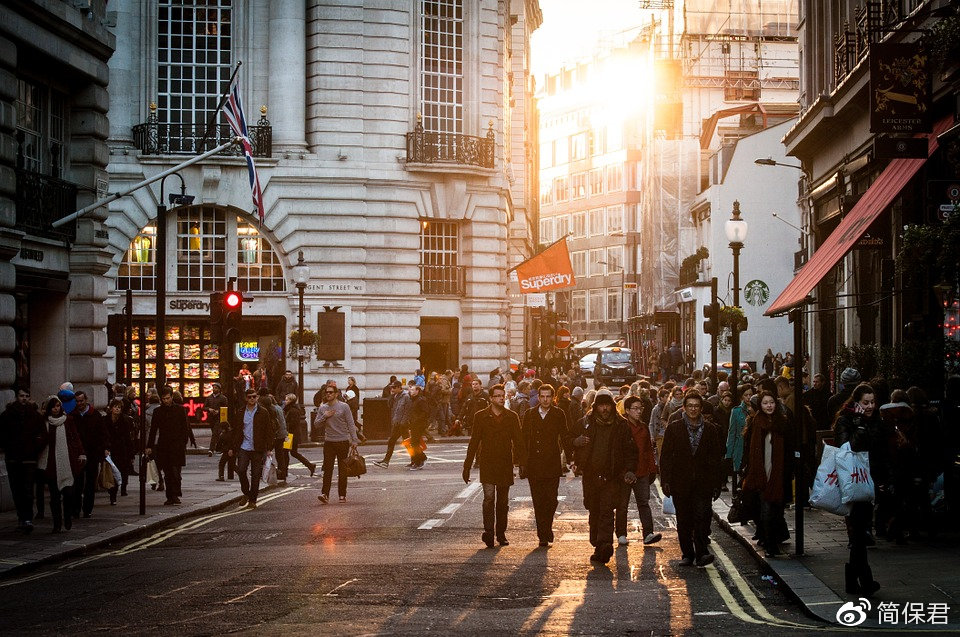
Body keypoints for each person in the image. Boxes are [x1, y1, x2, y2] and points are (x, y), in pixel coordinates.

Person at [659, 390, 724, 567]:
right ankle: (687, 554)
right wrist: (665, 480)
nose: (693, 409)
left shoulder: (710, 430)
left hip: (703, 483)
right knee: (684, 519)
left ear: (701, 408)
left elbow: (716, 458)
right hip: (681, 482)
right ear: (684, 408)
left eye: (696, 406)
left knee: (702, 517)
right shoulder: (674, 428)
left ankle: (702, 552)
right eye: (690, 406)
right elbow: (666, 456)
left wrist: (717, 483)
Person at [572, 392, 638, 564]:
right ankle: (597, 542)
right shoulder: (586, 423)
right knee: (593, 508)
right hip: (591, 475)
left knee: (607, 511)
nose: (605, 409)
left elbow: (630, 450)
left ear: (612, 406)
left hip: (612, 476)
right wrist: (575, 442)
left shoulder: (621, 425)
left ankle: (605, 544)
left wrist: (630, 470)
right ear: (595, 407)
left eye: (607, 405)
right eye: (601, 405)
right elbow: (567, 437)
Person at [833, 383, 885, 595]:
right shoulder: (845, 420)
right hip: (852, 481)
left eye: (873, 402)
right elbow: (847, 448)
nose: (870, 406)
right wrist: (861, 426)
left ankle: (852, 580)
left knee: (860, 532)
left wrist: (883, 479)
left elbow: (880, 453)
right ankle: (865, 580)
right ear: (856, 403)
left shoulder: (877, 420)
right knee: (859, 532)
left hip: (870, 481)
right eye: (866, 402)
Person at [463, 384, 525, 548]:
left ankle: (501, 533)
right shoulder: (481, 416)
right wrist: (467, 466)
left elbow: (519, 441)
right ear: (490, 398)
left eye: (502, 395)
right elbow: (474, 441)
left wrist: (522, 464)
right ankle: (489, 532)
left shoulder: (511, 416)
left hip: (505, 463)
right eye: (497, 396)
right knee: (489, 498)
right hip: (488, 463)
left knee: (503, 502)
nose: (500, 398)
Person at [520, 384, 572, 547]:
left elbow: (565, 436)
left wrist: (570, 459)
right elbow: (523, 438)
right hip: (534, 463)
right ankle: (543, 534)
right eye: (542, 396)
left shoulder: (558, 414)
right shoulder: (530, 414)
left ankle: (547, 527)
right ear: (538, 397)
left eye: (548, 396)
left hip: (552, 462)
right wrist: (522, 462)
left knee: (551, 499)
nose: (545, 399)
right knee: (538, 500)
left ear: (553, 397)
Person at [741, 391, 792, 557]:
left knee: (777, 510)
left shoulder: (782, 423)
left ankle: (773, 540)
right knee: (766, 510)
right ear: (760, 406)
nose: (769, 405)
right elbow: (749, 450)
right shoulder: (756, 423)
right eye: (765, 403)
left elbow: (789, 450)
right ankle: (770, 545)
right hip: (761, 473)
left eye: (771, 402)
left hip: (779, 474)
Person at [617, 396, 662, 546]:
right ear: (627, 410)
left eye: (640, 408)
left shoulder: (643, 428)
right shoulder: (622, 427)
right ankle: (621, 534)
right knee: (622, 505)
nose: (638, 411)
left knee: (644, 503)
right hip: (625, 473)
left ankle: (648, 533)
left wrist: (653, 468)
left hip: (642, 472)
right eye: (635, 409)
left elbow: (649, 450)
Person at [0, 388, 45, 533]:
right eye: (21, 396)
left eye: (26, 396)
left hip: (29, 459)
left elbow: (43, 436)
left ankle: (27, 518)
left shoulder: (35, 416)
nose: (24, 399)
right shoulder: (7, 415)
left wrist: (35, 449)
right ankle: (21, 517)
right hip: (13, 458)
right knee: (16, 489)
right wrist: (7, 447)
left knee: (27, 489)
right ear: (16, 397)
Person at [37, 397, 84, 533]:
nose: (56, 409)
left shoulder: (68, 420)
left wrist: (81, 453)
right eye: (53, 407)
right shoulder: (45, 422)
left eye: (58, 406)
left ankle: (67, 516)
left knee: (68, 493)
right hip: (51, 463)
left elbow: (75, 437)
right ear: (49, 409)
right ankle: (57, 523)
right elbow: (41, 441)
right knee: (54, 497)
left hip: (66, 462)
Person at [147, 386, 193, 505]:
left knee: (176, 473)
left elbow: (185, 428)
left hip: (177, 446)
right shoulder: (158, 412)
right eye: (163, 399)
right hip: (164, 446)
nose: (165, 401)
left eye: (167, 398)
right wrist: (149, 446)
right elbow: (153, 430)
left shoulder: (180, 410)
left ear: (172, 397)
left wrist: (184, 443)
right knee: (168, 473)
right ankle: (170, 497)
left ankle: (176, 494)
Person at [315, 383, 360, 503]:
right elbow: (316, 424)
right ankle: (325, 494)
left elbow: (351, 424)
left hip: (342, 441)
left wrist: (354, 440)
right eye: (326, 392)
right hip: (329, 442)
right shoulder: (323, 408)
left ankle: (342, 495)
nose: (328, 394)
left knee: (342, 469)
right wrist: (325, 416)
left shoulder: (344, 407)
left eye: (330, 392)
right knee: (328, 469)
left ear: (336, 394)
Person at [229, 389, 274, 509]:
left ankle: (252, 500)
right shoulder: (240, 412)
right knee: (241, 470)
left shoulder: (263, 412)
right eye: (249, 397)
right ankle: (246, 493)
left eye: (254, 397)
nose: (252, 399)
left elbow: (268, 430)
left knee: (255, 475)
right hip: (244, 446)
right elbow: (236, 431)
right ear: (246, 398)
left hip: (258, 448)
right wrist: (232, 447)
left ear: (257, 397)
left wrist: (269, 448)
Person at [71, 391, 110, 519]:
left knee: (90, 483)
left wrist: (103, 448)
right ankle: (76, 509)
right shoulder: (73, 416)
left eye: (81, 401)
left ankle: (87, 509)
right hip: (78, 455)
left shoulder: (95, 415)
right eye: (77, 401)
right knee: (77, 483)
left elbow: (103, 434)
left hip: (92, 454)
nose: (79, 403)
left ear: (86, 400)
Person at [374, 381, 411, 468]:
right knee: (403, 443)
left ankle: (386, 461)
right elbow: (390, 406)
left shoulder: (406, 396)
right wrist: (391, 396)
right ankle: (415, 459)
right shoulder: (396, 396)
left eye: (394, 387)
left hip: (402, 424)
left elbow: (407, 411)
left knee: (400, 442)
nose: (392, 389)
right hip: (397, 423)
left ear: (399, 387)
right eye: (391, 387)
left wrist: (403, 422)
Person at [104, 398, 134, 503]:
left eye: (119, 407)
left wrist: (131, 454)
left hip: (122, 450)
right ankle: (112, 494)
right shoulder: (105, 420)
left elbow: (128, 438)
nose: (117, 409)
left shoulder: (124, 421)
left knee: (121, 471)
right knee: (112, 473)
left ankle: (121, 488)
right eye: (115, 407)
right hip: (110, 450)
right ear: (111, 408)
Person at [283, 393, 316, 477]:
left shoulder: (292, 410)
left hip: (290, 435)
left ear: (291, 400)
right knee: (292, 453)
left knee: (286, 453)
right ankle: (310, 466)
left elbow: (292, 424)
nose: (285, 401)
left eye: (287, 400)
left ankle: (285, 471)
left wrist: (286, 431)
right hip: (291, 434)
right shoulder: (290, 409)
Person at [406, 384, 430, 470]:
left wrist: (417, 420)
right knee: (414, 443)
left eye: (412, 390)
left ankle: (419, 461)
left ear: (417, 391)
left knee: (415, 443)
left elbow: (425, 413)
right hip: (413, 424)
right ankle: (418, 460)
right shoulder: (413, 400)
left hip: (419, 424)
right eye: (410, 390)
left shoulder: (421, 400)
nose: (410, 391)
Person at [204, 383, 230, 459]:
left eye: (216, 388)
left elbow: (226, 407)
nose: (214, 389)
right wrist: (209, 409)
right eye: (213, 388)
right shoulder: (209, 398)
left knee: (215, 433)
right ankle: (220, 447)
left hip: (219, 418)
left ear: (219, 389)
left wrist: (218, 411)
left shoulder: (223, 398)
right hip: (211, 418)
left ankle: (211, 449)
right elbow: (204, 407)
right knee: (215, 434)